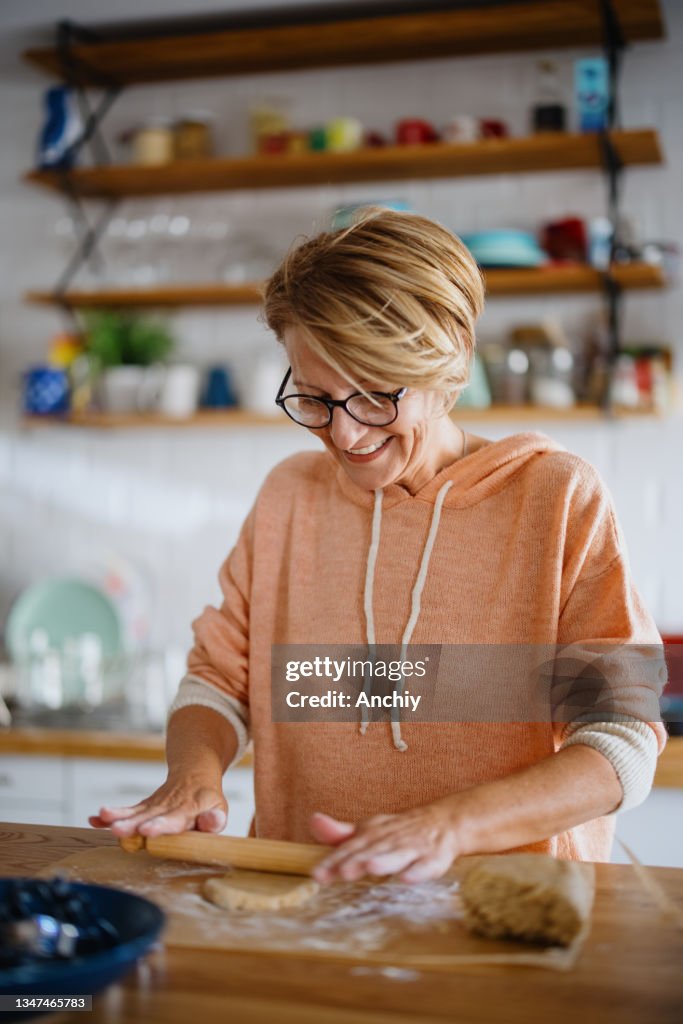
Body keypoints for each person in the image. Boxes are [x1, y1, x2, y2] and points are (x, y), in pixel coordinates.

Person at [91, 209, 666, 884]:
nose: (344, 434)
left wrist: (447, 826)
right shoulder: (289, 498)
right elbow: (220, 682)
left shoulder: (553, 499)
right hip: (303, 898)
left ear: (446, 362)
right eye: (313, 397)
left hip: (503, 913)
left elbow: (621, 738)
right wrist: (191, 776)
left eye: (373, 396)